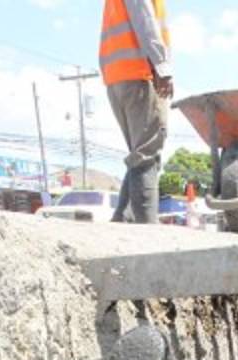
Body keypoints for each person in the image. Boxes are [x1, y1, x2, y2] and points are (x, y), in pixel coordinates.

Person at [100, 0, 172, 223]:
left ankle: (121, 220)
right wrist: (162, 66)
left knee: (139, 154)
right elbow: (145, 19)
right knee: (146, 156)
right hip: (138, 74)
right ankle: (148, 228)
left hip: (117, 77)